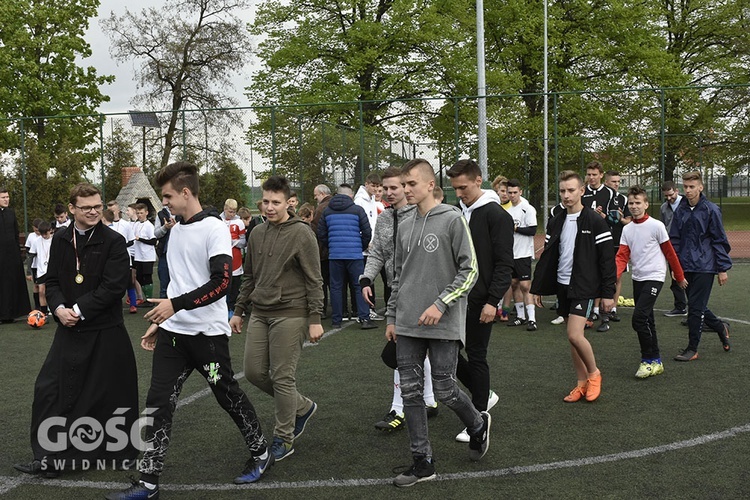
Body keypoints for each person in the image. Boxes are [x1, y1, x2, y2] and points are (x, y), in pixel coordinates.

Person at [107, 162, 271, 500]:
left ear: (185, 192)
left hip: (208, 339)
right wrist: (162, 320)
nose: (164, 201)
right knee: (158, 402)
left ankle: (261, 452)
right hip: (173, 336)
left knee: (227, 395)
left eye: (167, 195)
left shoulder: (214, 228)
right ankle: (149, 481)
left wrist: (174, 306)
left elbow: (221, 283)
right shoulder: (175, 229)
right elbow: (179, 285)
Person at [15, 183, 138, 478]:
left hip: (105, 331)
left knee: (105, 395)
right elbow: (52, 281)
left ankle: (109, 452)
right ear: (72, 209)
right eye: (86, 207)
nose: (94, 211)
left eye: (97, 205)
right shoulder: (60, 238)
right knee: (49, 390)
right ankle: (49, 457)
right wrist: (57, 309)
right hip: (69, 329)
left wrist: (79, 311)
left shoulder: (113, 241)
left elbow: (114, 286)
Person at [386, 159, 490, 488]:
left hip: (442, 322)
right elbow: (398, 277)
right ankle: (423, 461)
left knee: (444, 389)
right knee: (411, 392)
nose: (405, 190)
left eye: (411, 184)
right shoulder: (403, 223)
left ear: (431, 185)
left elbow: (470, 270)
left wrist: (440, 303)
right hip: (406, 323)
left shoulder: (453, 219)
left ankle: (477, 424)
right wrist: (392, 315)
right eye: (403, 185)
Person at [230, 175, 323, 463]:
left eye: (275, 202)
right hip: (260, 311)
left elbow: (314, 279)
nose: (269, 207)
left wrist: (315, 317)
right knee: (254, 372)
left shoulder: (302, 233)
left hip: (291, 312)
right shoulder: (257, 232)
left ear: (288, 202)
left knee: (283, 377)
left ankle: (284, 437)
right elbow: (249, 277)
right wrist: (239, 310)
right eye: (265, 202)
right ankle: (303, 406)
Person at [360, 167, 438, 433]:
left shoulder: (423, 216)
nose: (390, 193)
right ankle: (427, 400)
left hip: (421, 292)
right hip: (397, 292)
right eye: (385, 188)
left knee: (402, 350)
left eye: (395, 187)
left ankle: (400, 408)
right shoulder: (383, 219)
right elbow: (377, 252)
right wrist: (366, 279)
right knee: (411, 349)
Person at [530, 170, 615, 403]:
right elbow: (547, 257)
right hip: (562, 285)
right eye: (562, 191)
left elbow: (607, 260)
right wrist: (537, 287)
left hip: (584, 286)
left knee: (574, 334)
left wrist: (608, 294)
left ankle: (594, 374)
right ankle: (581, 384)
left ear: (582, 191)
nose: (566, 195)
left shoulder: (595, 221)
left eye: (570, 190)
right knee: (571, 338)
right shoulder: (556, 220)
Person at [447, 160, 514, 444]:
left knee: (476, 355)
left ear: (478, 180)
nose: (459, 193)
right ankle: (483, 394)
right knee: (448, 353)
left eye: (463, 187)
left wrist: (492, 301)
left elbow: (503, 263)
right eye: (455, 189)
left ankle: (478, 416)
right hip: (457, 297)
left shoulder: (496, 215)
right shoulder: (460, 212)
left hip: (480, 300)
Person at [615, 186, 687, 378]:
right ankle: (656, 361)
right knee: (648, 319)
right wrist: (612, 277)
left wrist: (679, 276)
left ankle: (647, 359)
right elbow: (622, 256)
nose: (634, 206)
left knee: (638, 318)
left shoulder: (656, 226)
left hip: (655, 277)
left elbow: (670, 253)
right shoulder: (627, 229)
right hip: (638, 277)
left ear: (646, 204)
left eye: (638, 203)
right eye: (631, 203)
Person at [669, 171, 732, 362]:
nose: (688, 191)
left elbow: (719, 240)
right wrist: (675, 266)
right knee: (699, 306)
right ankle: (721, 328)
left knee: (695, 308)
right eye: (686, 187)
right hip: (686, 266)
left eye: (692, 187)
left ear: (700, 187)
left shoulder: (711, 209)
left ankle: (692, 348)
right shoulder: (680, 209)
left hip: (705, 266)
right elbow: (675, 239)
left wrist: (722, 269)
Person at [317, 184, 376, 329]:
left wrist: (331, 245)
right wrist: (360, 246)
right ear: (351, 196)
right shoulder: (357, 210)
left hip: (335, 255)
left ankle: (337, 320)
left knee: (336, 287)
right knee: (359, 286)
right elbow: (367, 232)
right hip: (355, 255)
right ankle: (364, 318)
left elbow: (321, 233)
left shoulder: (327, 211)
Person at [581, 160, 616, 330]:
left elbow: (615, 219)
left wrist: (603, 217)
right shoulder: (582, 191)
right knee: (587, 275)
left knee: (606, 274)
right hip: (586, 240)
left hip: (604, 239)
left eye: (595, 175)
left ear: (601, 175)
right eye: (589, 174)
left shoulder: (610, 193)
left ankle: (606, 317)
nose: (591, 178)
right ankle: (588, 315)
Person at [597, 170, 631, 332]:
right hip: (602, 242)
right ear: (606, 182)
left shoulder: (623, 199)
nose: (617, 184)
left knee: (617, 277)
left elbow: (628, 220)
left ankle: (613, 308)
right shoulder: (601, 197)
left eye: (618, 181)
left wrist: (619, 219)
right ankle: (597, 309)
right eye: (613, 181)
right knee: (599, 275)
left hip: (619, 242)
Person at [504, 178, 539, 330]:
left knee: (525, 285)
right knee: (514, 284)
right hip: (511, 254)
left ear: (520, 192)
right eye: (509, 192)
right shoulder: (506, 210)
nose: (512, 195)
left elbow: (532, 230)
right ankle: (520, 316)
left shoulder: (527, 208)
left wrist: (516, 229)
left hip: (523, 253)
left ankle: (532, 319)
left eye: (514, 192)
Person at [354, 172, 385, 321]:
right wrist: (366, 242)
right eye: (373, 185)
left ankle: (370, 308)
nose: (375, 189)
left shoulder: (371, 199)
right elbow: (360, 223)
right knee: (368, 277)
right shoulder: (359, 201)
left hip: (373, 245)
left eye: (378, 186)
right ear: (366, 184)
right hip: (366, 246)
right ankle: (368, 309)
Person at [0, 187, 31, 323]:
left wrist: (18, 255)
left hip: (12, 255)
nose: (7, 199)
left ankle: (11, 314)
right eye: (3, 197)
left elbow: (15, 234)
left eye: (7, 197)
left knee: (11, 283)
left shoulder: (11, 213)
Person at [659, 181, 688, 317]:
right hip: (672, 246)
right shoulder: (664, 208)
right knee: (675, 276)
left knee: (689, 275)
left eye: (671, 195)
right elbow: (663, 226)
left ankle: (694, 306)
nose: (669, 198)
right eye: (666, 196)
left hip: (688, 245)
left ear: (676, 191)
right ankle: (680, 306)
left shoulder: (687, 203)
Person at [220, 198, 247, 317]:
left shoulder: (239, 222)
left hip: (235, 258)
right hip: (221, 257)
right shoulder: (217, 220)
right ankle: (222, 309)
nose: (233, 214)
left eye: (234, 211)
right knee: (222, 283)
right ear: (225, 209)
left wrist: (234, 241)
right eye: (230, 211)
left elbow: (243, 242)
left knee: (234, 285)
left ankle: (232, 308)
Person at [311, 184, 332, 318]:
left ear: (322, 194)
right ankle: (341, 309)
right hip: (337, 250)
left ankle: (322, 309)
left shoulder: (321, 208)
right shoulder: (336, 205)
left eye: (316, 195)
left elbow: (316, 229)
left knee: (322, 281)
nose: (315, 198)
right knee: (336, 283)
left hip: (323, 251)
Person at [26, 221, 53, 316]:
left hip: (53, 270)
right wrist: (28, 271)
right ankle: (43, 313)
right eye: (42, 234)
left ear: (50, 231)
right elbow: (31, 256)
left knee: (54, 290)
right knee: (41, 291)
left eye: (46, 233)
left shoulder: (55, 240)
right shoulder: (37, 241)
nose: (44, 236)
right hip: (41, 270)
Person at [133, 203, 157, 301]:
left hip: (147, 256)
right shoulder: (136, 224)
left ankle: (149, 299)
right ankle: (146, 296)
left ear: (146, 213)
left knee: (147, 277)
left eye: (141, 213)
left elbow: (153, 241)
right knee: (138, 276)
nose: (139, 215)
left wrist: (140, 239)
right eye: (138, 213)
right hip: (138, 256)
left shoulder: (149, 226)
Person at [154, 205, 177, 299]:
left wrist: (176, 227)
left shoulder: (183, 213)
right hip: (165, 253)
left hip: (179, 254)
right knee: (164, 285)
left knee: (179, 283)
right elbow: (156, 234)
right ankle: (162, 310)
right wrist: (165, 227)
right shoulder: (160, 214)